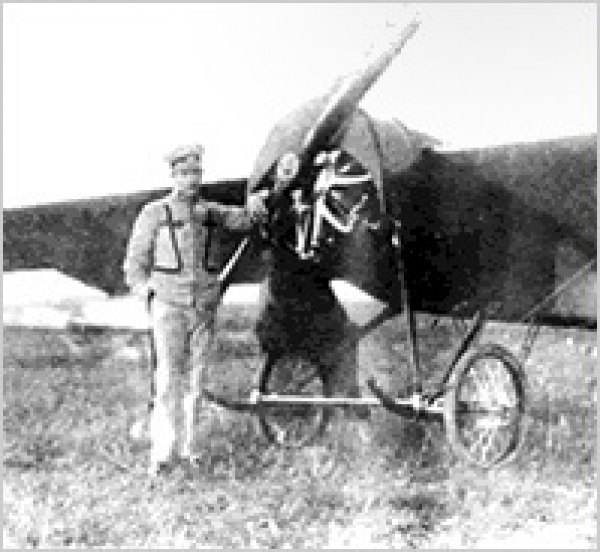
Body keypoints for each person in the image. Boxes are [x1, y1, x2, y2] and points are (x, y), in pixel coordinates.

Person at [124, 144, 268, 476]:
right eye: (185, 173)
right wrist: (146, 295)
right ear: (173, 175)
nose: (192, 179)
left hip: (202, 306)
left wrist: (259, 203)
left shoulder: (208, 211)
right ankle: (162, 455)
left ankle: (190, 451)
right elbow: (135, 263)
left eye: (197, 173)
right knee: (166, 383)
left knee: (197, 382)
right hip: (168, 306)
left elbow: (244, 219)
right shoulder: (153, 214)